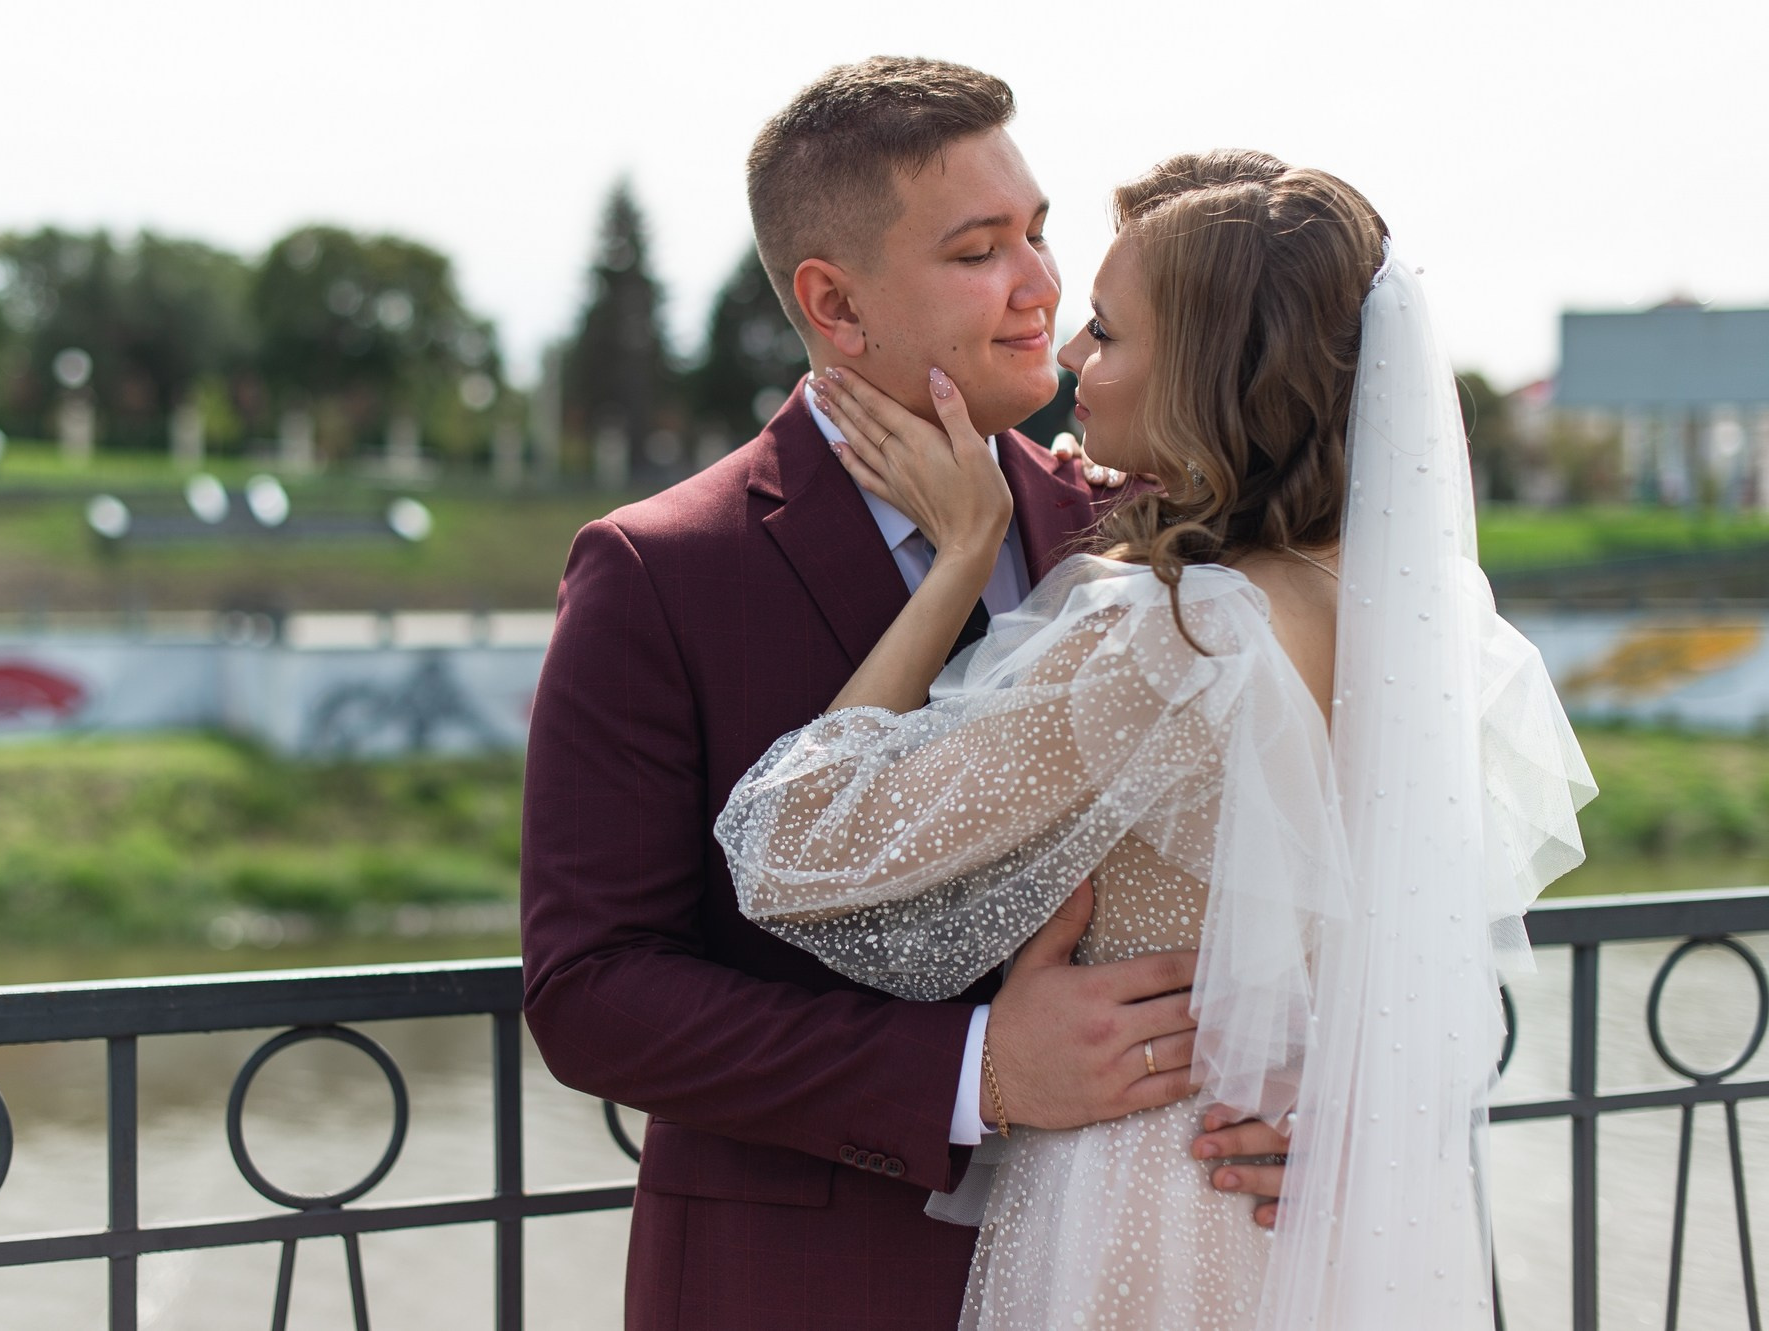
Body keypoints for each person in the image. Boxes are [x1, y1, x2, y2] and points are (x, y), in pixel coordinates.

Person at [716, 150, 1597, 1329]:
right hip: (1311, 1216)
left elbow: (791, 843)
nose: (1071, 351)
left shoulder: (1176, 637)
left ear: (1205, 374)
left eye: (1108, 330)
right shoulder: (1427, 619)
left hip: (1147, 1212)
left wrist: (960, 559)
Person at [520, 60, 1285, 1331]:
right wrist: (978, 1070)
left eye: (1037, 231)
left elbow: (1323, 864)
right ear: (834, 302)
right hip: (807, 1288)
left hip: (1142, 1264)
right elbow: (590, 992)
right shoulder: (659, 568)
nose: (1040, 284)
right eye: (979, 251)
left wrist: (1317, 1098)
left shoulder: (1148, 528)